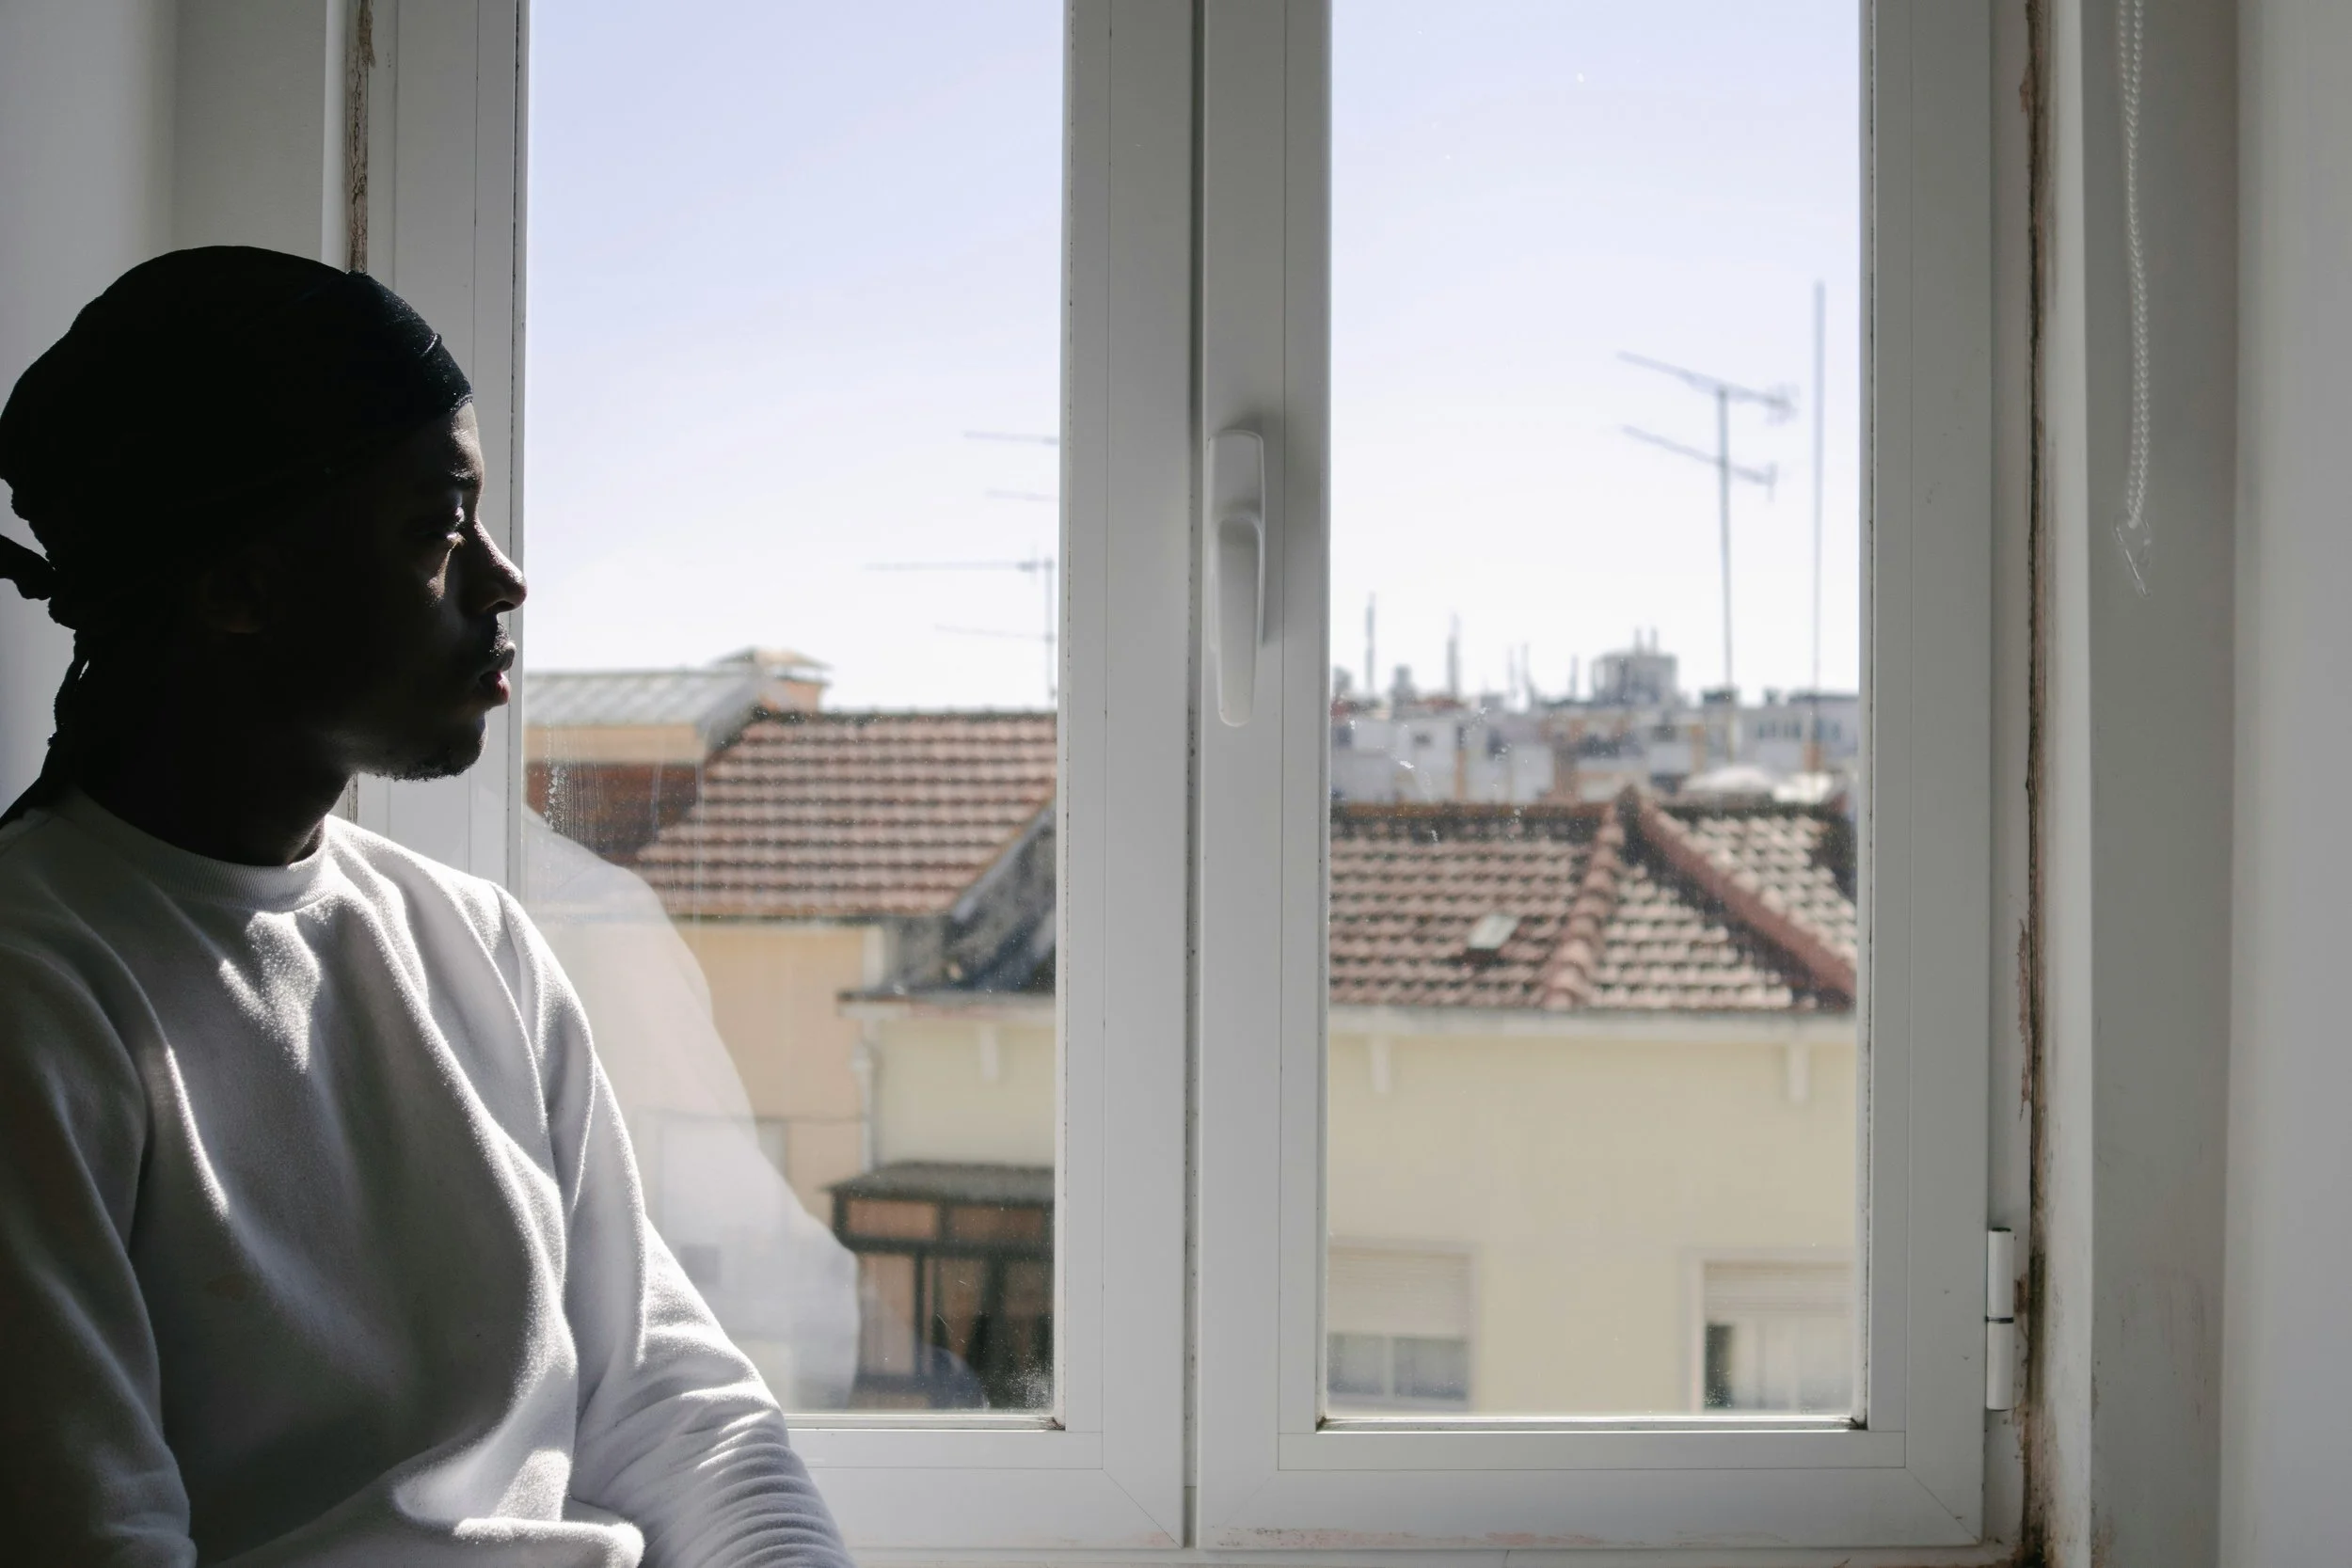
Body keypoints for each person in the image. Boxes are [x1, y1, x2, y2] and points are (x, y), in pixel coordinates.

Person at [0, 247, 852, 1567]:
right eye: (437, 526)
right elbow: (90, 1533)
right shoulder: (39, 987)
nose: (504, 582)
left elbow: (678, 1411)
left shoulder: (483, 947)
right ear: (235, 585)